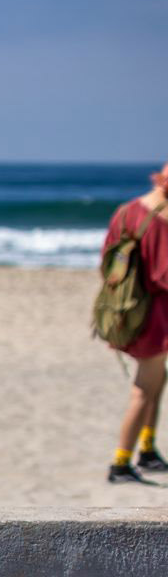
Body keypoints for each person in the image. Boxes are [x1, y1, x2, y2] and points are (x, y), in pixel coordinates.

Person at [102, 161, 168, 484]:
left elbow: (107, 262)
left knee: (156, 380)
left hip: (129, 310)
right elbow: (164, 276)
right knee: (145, 388)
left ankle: (147, 449)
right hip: (154, 315)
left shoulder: (127, 212)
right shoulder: (161, 222)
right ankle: (121, 462)